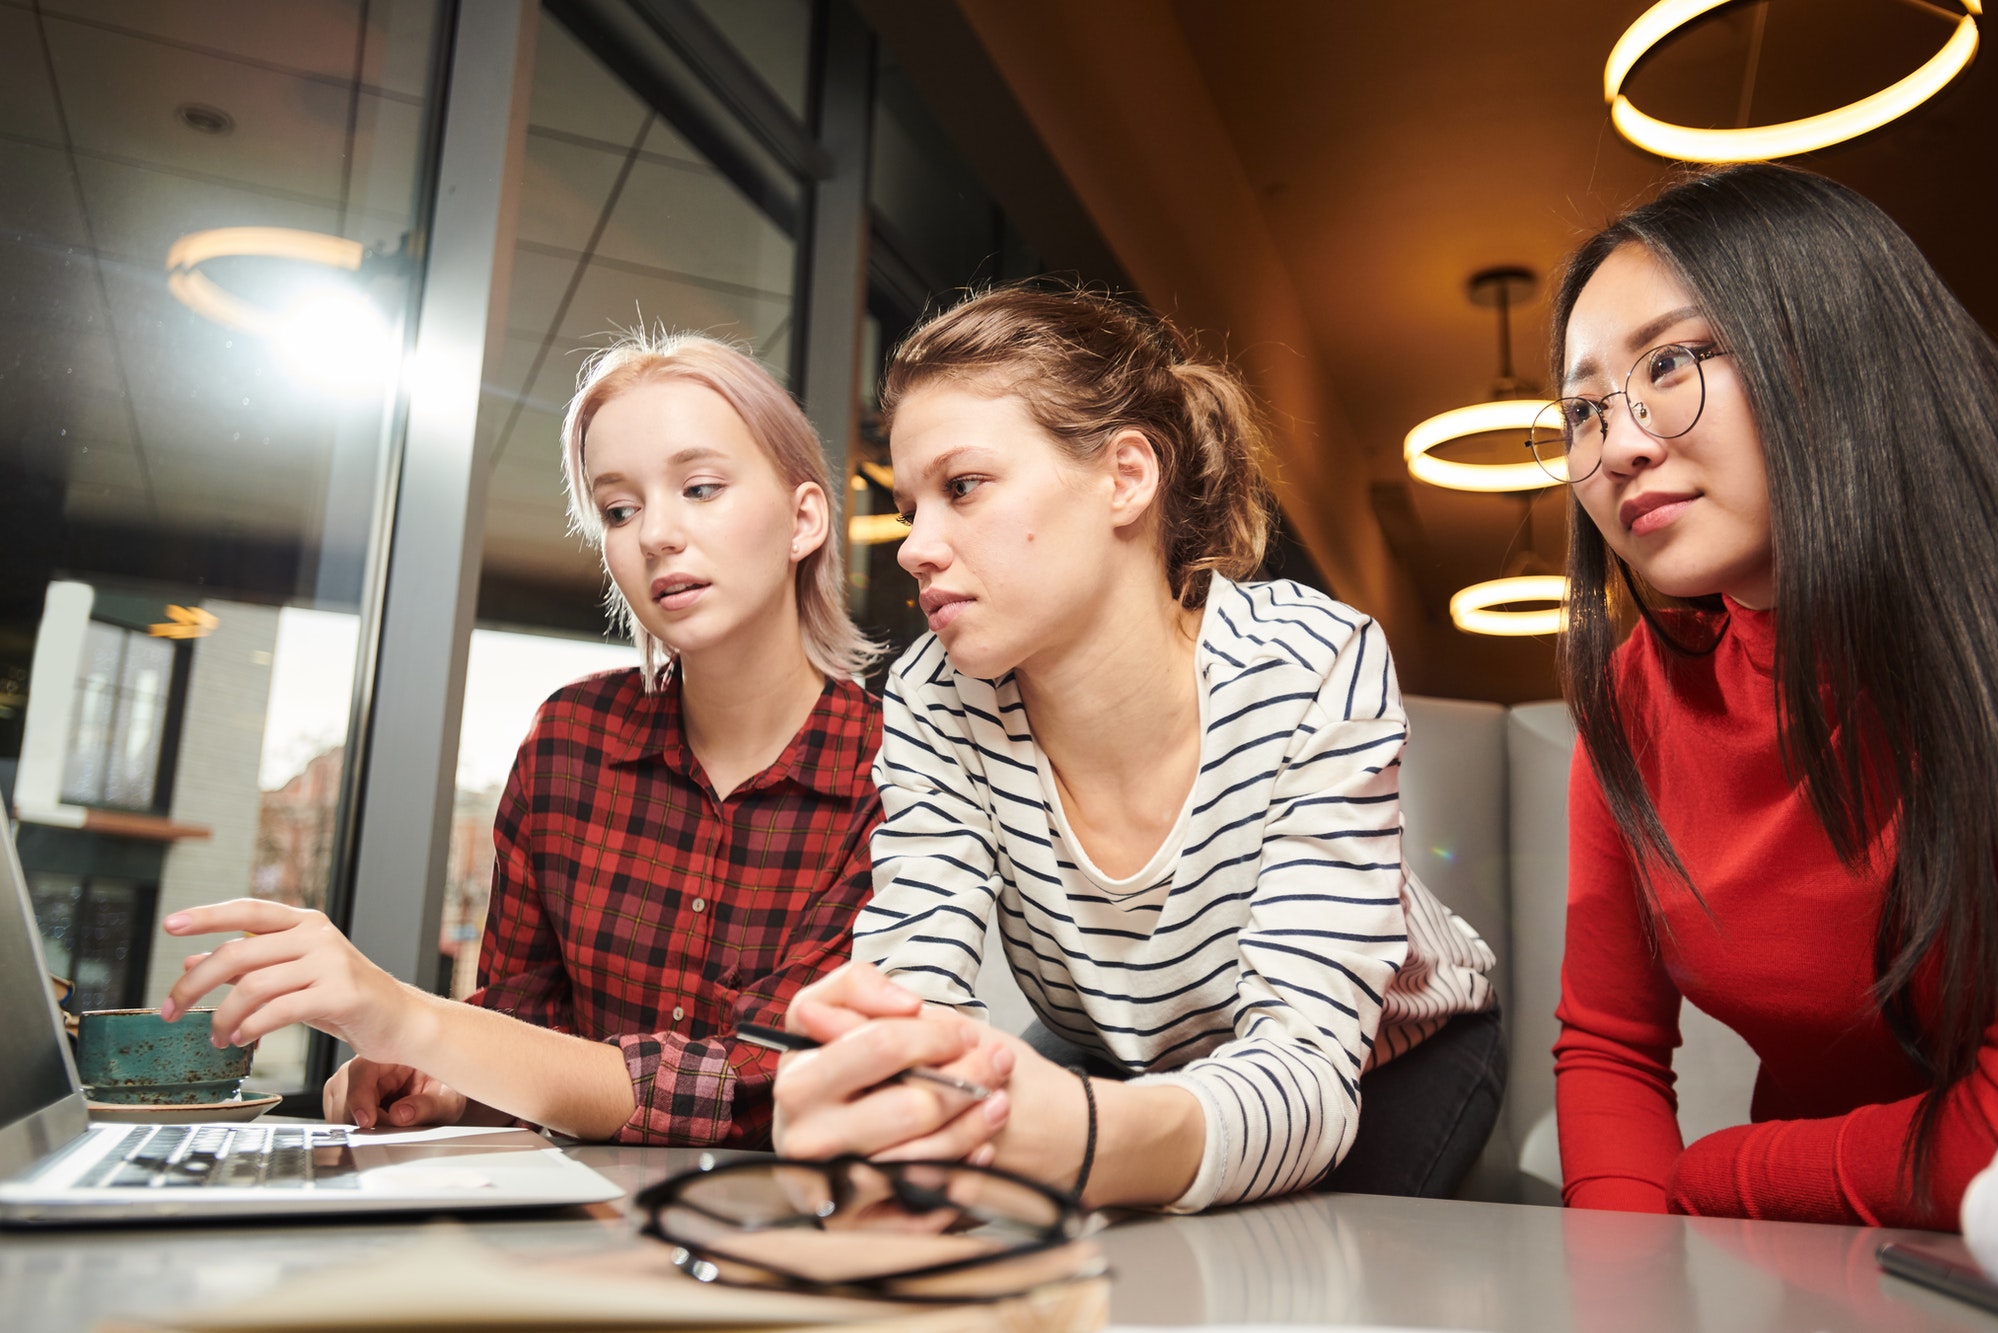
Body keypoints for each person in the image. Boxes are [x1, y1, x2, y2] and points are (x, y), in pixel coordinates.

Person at [770, 285, 1501, 1212]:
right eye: (909, 504)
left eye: (962, 487)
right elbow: (916, 982)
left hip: (1384, 1057)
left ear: (1125, 476)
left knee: (1280, 1280)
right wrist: (879, 1085)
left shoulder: (1312, 660)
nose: (916, 546)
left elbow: (1307, 1070)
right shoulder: (929, 698)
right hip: (1117, 1051)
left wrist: (1074, 1136)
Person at [160, 332, 883, 1146]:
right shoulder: (571, 739)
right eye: (619, 508)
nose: (655, 535)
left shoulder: (893, 773)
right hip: (572, 1229)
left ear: (803, 518)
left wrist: (411, 1017)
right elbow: (528, 1025)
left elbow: (767, 1078)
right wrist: (449, 1084)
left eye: (702, 486)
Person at [1548, 162, 1998, 1229]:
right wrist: (1624, 1289)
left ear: (1834, 350)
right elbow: (1607, 1048)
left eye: (1669, 361)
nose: (1615, 445)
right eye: (1579, 410)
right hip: (1811, 1264)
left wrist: (1716, 1177)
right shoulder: (1629, 704)